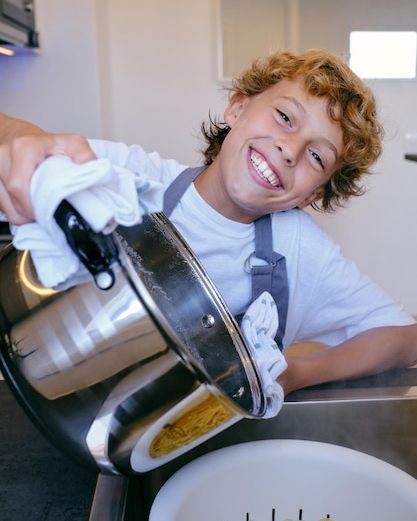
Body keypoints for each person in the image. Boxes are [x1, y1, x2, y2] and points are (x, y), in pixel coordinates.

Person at [0, 48, 416, 397]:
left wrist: (297, 373)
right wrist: (23, 136)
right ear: (237, 107)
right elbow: (31, 148)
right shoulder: (132, 181)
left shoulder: (301, 250)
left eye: (316, 157)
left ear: (312, 195)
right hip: (56, 393)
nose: (290, 149)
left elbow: (404, 338)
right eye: (285, 117)